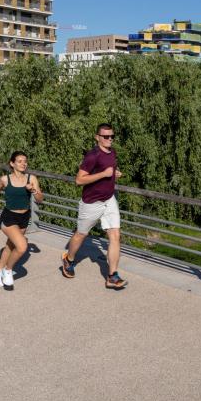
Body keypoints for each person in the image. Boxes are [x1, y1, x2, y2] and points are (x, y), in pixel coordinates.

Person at [61, 123, 127, 289]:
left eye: (112, 136)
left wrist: (114, 174)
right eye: (106, 136)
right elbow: (79, 180)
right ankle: (68, 259)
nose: (109, 139)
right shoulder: (92, 155)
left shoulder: (113, 152)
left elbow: (110, 170)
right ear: (97, 137)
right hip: (91, 203)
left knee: (115, 235)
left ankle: (112, 276)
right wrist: (104, 174)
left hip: (109, 200)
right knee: (81, 235)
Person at [0, 151, 43, 289]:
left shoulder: (31, 179)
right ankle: (8, 270)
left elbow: (40, 199)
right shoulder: (5, 179)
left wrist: (33, 191)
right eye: (19, 161)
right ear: (12, 163)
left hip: (24, 217)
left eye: (25, 161)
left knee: (10, 246)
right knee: (22, 246)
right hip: (9, 217)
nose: (23, 164)